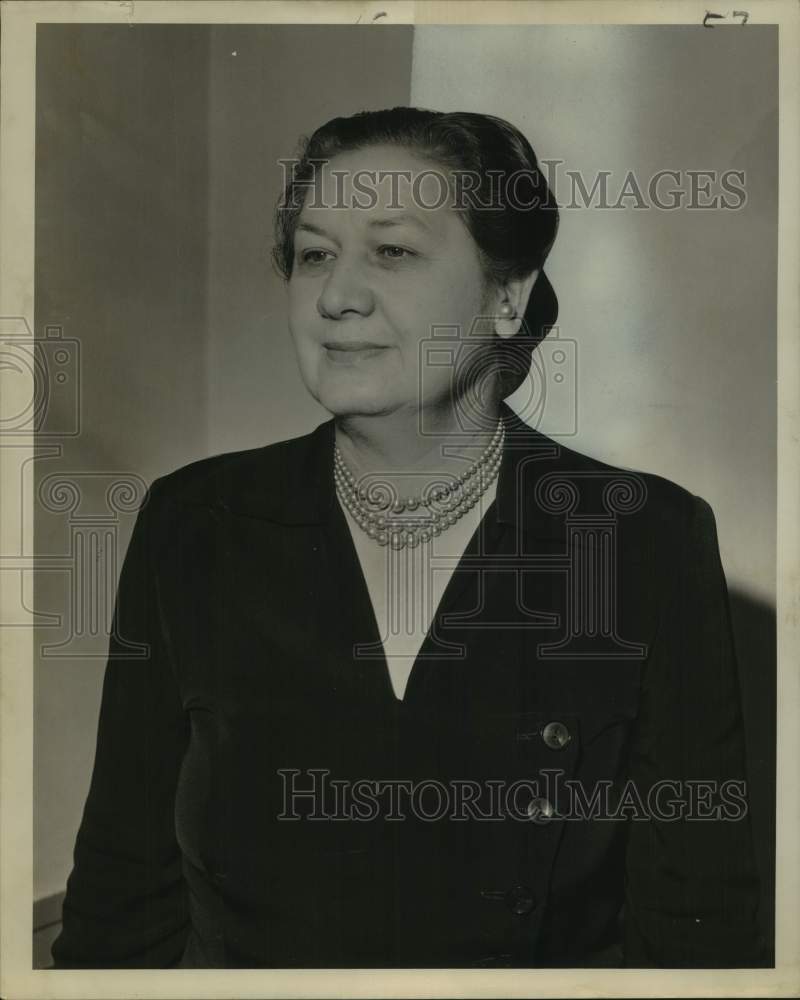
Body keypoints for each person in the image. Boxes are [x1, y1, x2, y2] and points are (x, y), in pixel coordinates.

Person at [51, 107, 765, 969]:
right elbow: (119, 905)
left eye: (391, 251)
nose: (337, 295)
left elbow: (699, 931)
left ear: (507, 297)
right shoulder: (194, 526)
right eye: (315, 253)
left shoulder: (644, 541)